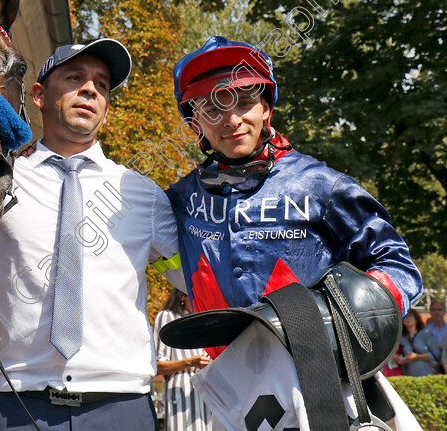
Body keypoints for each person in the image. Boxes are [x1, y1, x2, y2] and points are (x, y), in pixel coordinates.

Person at [0, 39, 184, 430]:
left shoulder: (143, 195)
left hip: (122, 408)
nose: (90, 90)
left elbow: (190, 278)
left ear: (107, 109)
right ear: (39, 95)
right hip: (22, 410)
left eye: (101, 84)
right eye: (75, 78)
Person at [164, 36, 423, 426]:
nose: (232, 120)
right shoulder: (178, 199)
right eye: (213, 108)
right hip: (233, 398)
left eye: (244, 102)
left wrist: (344, 326)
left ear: (266, 107)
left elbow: (400, 268)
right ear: (194, 121)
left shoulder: (321, 183)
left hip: (327, 383)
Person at [153, 289, 212, 431]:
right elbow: (157, 366)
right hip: (181, 392)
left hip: (205, 392)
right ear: (182, 296)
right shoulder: (167, 317)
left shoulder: (203, 320)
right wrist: (190, 362)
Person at [398, 308, 440, 376]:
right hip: (409, 377)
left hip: (427, 375)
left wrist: (417, 357)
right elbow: (400, 355)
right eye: (406, 316)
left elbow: (436, 354)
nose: (408, 318)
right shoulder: (402, 338)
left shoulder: (426, 334)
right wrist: (400, 359)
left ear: (416, 318)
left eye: (411, 316)